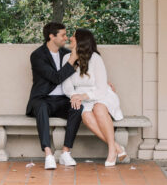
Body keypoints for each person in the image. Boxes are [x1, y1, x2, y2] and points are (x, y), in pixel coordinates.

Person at [61, 28, 129, 167]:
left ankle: (111, 151)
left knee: (99, 109)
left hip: (101, 95)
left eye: (73, 37)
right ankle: (117, 147)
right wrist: (75, 96)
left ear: (81, 41)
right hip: (81, 98)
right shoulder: (66, 58)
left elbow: (102, 87)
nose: (70, 39)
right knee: (85, 115)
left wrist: (83, 95)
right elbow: (66, 85)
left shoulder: (96, 58)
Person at [26, 21, 82, 170]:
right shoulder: (37, 55)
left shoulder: (65, 53)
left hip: (62, 99)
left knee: (77, 107)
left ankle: (65, 152)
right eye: (63, 35)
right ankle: (48, 154)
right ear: (51, 36)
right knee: (42, 107)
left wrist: (104, 83)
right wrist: (72, 60)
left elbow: (86, 66)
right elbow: (56, 78)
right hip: (42, 98)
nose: (66, 38)